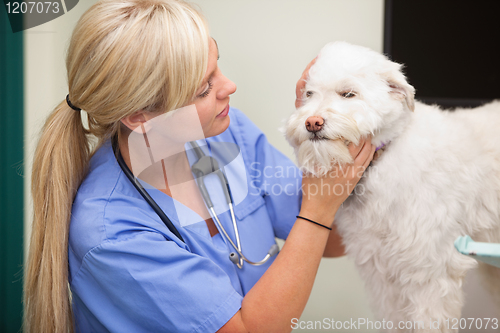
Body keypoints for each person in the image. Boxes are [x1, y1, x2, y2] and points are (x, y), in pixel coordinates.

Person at [24, 0, 375, 332]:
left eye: (217, 65)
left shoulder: (227, 135)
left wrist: (330, 143)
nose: (229, 86)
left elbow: (331, 241)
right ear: (139, 117)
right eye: (204, 88)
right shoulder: (114, 234)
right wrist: (318, 206)